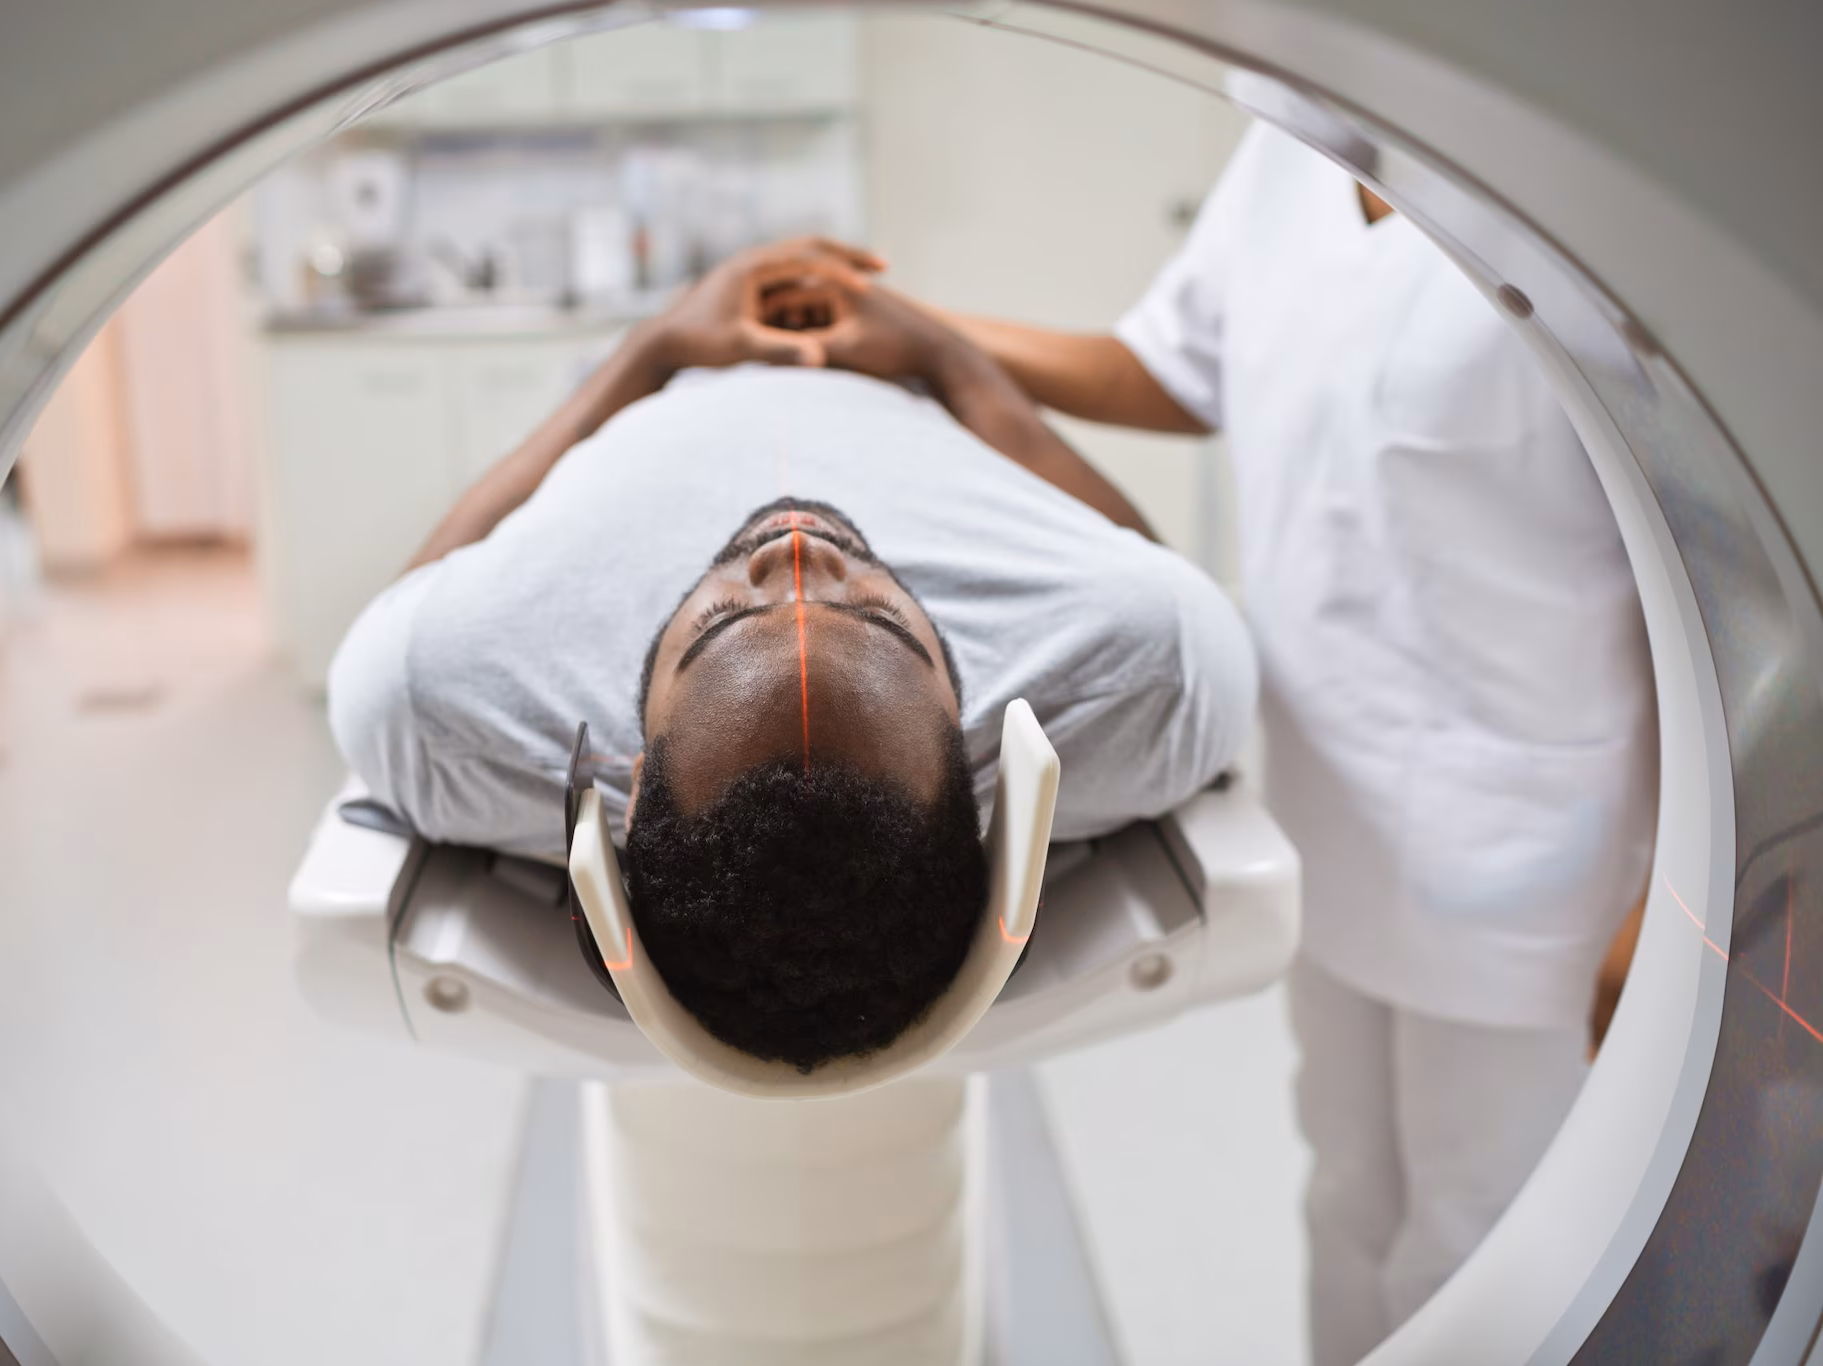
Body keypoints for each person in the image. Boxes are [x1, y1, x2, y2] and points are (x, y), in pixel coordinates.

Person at [912, 124, 1657, 1361]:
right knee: (1346, 1189)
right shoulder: (1292, 150)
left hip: (1532, 853)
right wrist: (917, 335)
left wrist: (1665, 891)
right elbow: (1168, 366)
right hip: (1327, 812)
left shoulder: (1578, 197)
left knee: (1475, 1232)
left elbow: (1708, 578)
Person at [328, 240, 1255, 1072]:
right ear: (968, 757)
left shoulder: (443, 701)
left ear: (636, 786)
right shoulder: (1145, 676)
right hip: (888, 377)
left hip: (685, 377)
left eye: (721, 623)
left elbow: (407, 610)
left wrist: (652, 352)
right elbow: (1158, 579)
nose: (800, 552)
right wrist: (944, 358)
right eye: (886, 621)